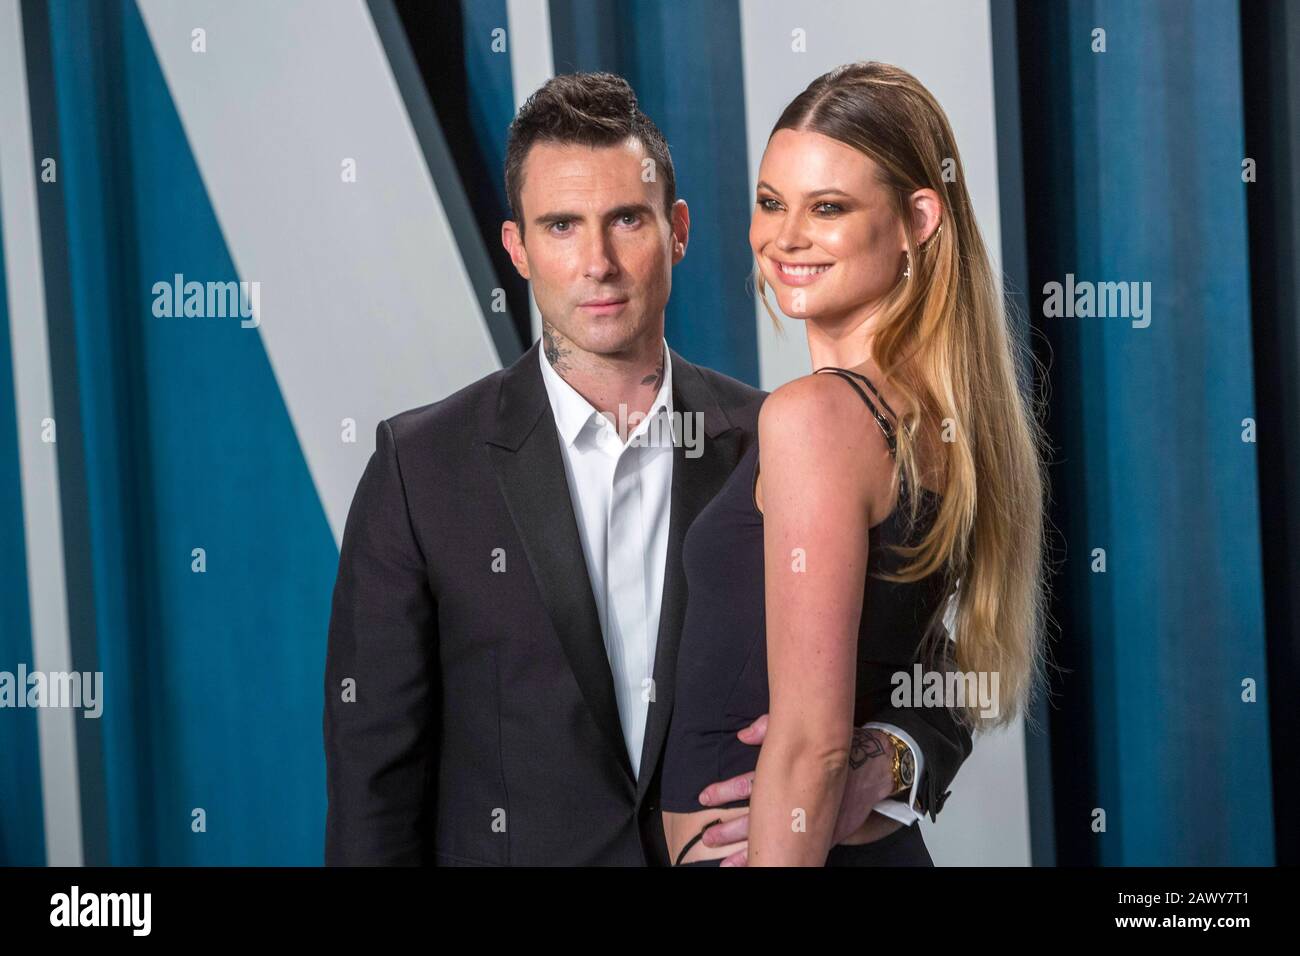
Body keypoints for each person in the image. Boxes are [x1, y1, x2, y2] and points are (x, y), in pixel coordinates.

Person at [322, 70, 972, 866]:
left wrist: (890, 759)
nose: (597, 262)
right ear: (518, 249)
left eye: (626, 219)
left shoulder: (781, 437)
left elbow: (930, 671)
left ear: (679, 230)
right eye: (561, 226)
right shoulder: (420, 473)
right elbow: (373, 792)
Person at [660, 61, 1049, 866]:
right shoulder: (938, 421)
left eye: (828, 208)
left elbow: (809, 751)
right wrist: (895, 754)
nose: (785, 237)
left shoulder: (816, 418)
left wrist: (868, 761)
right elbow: (934, 671)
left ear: (918, 220)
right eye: (771, 203)